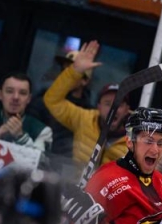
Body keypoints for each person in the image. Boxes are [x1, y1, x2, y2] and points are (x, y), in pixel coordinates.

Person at [43, 40, 131, 169]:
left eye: (119, 104)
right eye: (107, 103)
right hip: (74, 187)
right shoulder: (85, 119)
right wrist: (75, 71)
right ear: (98, 106)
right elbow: (52, 100)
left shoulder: (138, 139)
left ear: (127, 109)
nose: (113, 109)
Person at [29, 50, 93, 159]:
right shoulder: (43, 101)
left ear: (85, 81)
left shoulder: (90, 115)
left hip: (69, 171)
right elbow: (29, 130)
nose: (66, 75)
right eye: (64, 70)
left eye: (74, 72)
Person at [0, 71, 53, 154]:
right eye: (9, 91)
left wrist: (21, 137)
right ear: (0, 95)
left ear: (29, 99)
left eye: (22, 93)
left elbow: (41, 163)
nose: (15, 97)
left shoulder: (43, 131)